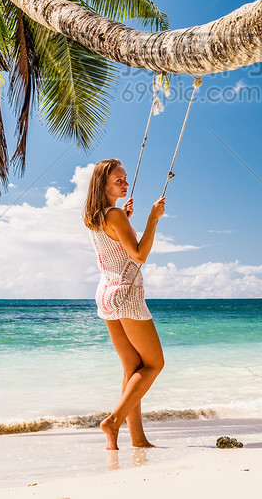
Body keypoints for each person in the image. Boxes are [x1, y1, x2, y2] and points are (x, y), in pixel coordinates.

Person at [84, 158, 166, 450]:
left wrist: (127, 222)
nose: (125, 184)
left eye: (125, 178)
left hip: (105, 293)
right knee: (155, 364)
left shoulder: (96, 216)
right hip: (126, 294)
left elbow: (115, 247)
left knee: (132, 368)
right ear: (103, 184)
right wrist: (152, 219)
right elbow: (139, 256)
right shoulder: (115, 214)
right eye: (119, 180)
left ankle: (137, 439)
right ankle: (114, 421)